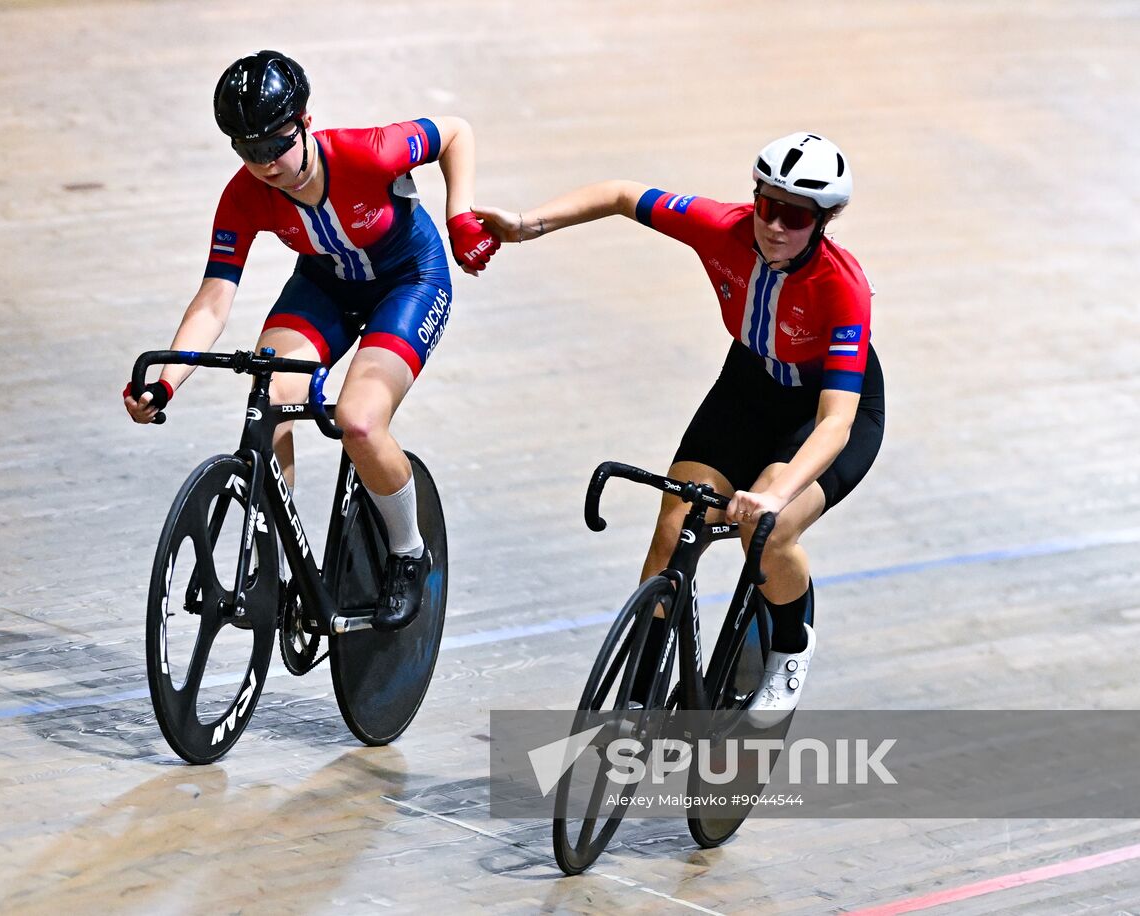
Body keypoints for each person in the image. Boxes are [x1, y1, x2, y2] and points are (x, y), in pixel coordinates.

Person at [474, 132, 884, 721]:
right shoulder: (720, 227)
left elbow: (836, 421)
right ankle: (637, 698)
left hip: (826, 408)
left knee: (766, 530)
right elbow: (622, 194)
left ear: (824, 221)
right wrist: (526, 224)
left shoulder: (842, 287)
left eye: (794, 217)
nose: (774, 226)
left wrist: (774, 496)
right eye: (767, 206)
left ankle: (792, 645)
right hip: (750, 386)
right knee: (674, 525)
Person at [125, 50, 499, 630]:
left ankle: (408, 552)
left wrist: (459, 217)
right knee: (269, 396)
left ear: (304, 121)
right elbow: (214, 299)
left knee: (359, 422)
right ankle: (276, 563)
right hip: (325, 286)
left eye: (276, 145)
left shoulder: (369, 152)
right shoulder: (244, 195)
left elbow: (455, 132)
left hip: (409, 282)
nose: (266, 164)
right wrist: (166, 384)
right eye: (249, 151)